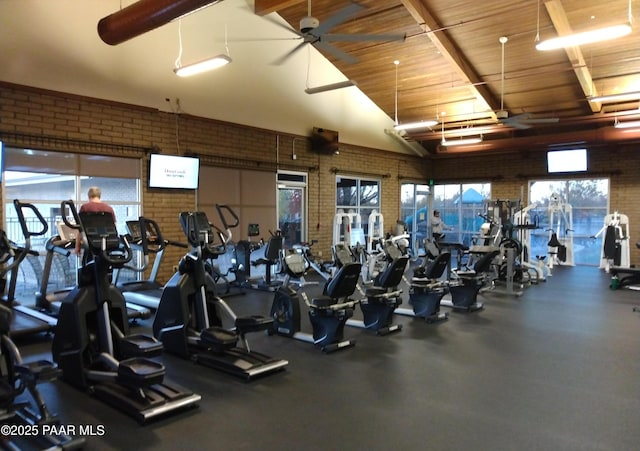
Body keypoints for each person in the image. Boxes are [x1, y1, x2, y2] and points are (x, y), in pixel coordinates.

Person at [74, 186, 116, 255]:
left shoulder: (85, 207)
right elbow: (114, 227)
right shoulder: (109, 209)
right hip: (107, 242)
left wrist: (77, 246)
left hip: (90, 242)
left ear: (89, 195)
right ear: (99, 195)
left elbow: (80, 228)